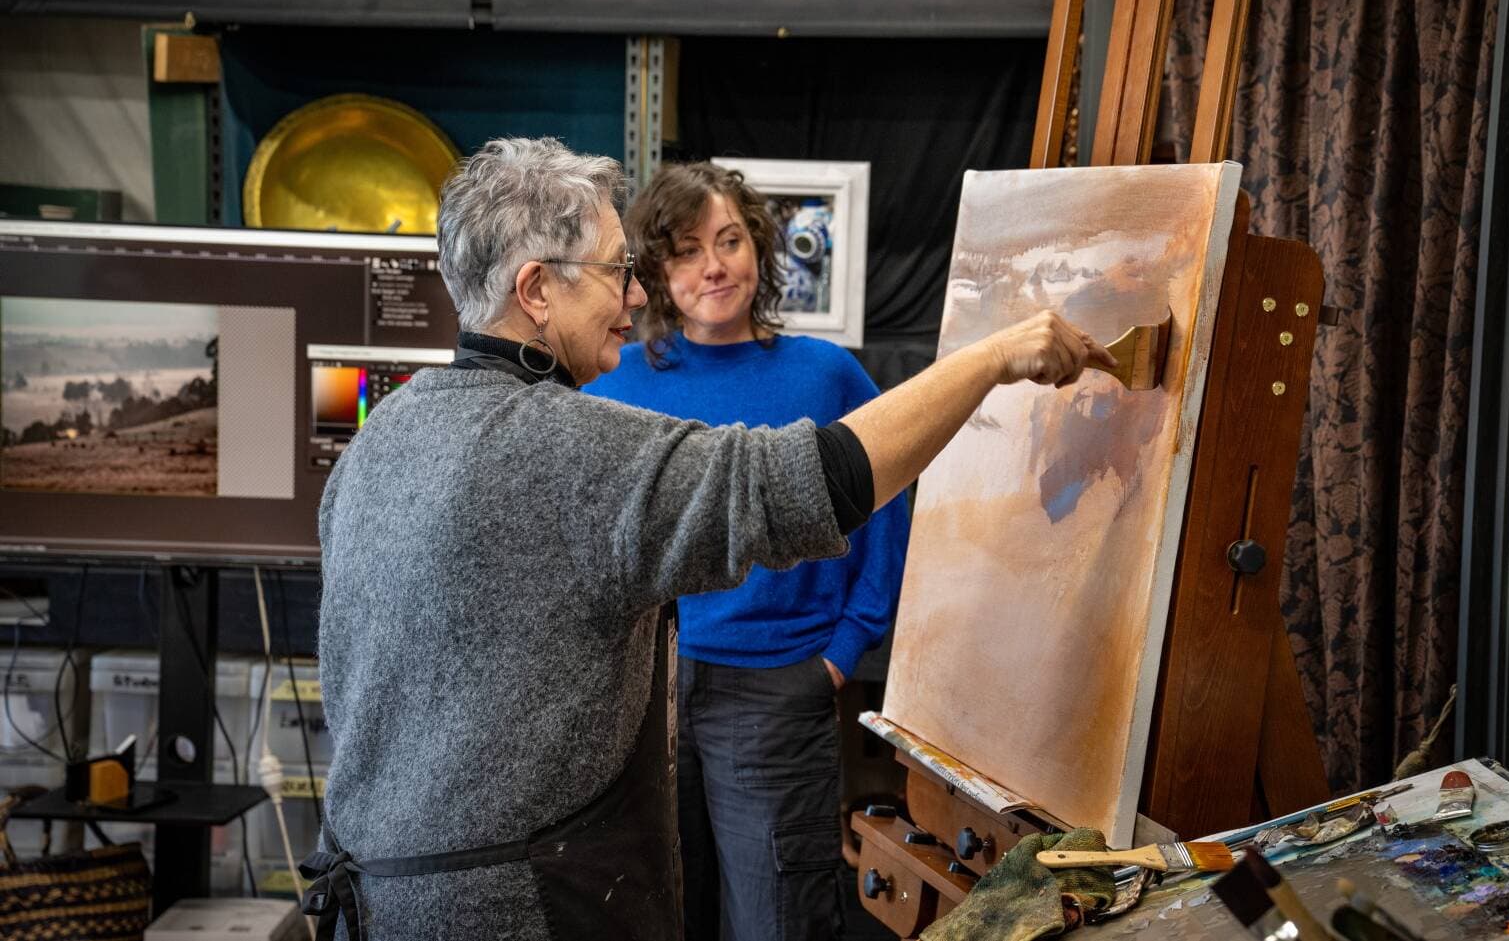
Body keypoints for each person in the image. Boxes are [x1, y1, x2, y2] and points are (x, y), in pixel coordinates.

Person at [309, 136, 1114, 941]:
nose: (631, 297)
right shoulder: (571, 444)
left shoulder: (383, 435)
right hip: (520, 910)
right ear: (537, 290)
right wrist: (995, 356)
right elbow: (810, 482)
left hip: (378, 906)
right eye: (615, 270)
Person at [585, 162, 909, 941]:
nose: (715, 266)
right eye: (689, 250)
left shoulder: (826, 375)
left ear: (760, 248)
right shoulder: (617, 384)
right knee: (659, 912)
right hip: (643, 693)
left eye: (730, 240)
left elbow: (891, 507)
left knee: (778, 919)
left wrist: (845, 647)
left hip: (774, 687)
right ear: (658, 272)